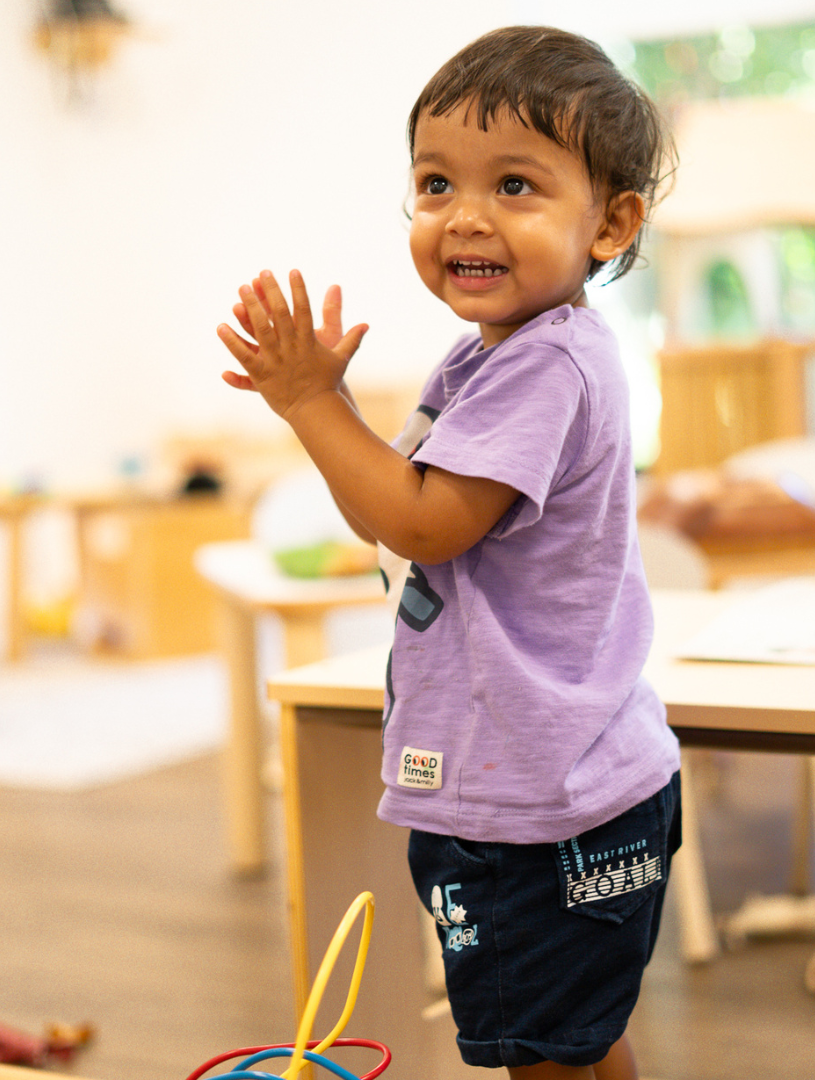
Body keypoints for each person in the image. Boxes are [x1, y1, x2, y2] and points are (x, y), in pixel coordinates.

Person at [217, 25, 680, 1080]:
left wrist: (310, 402)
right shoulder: (495, 357)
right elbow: (391, 516)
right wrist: (337, 420)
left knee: (543, 1054)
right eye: (436, 183)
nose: (464, 216)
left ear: (610, 223)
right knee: (573, 1038)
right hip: (559, 779)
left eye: (515, 184)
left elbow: (427, 524)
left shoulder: (541, 366)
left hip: (537, 800)